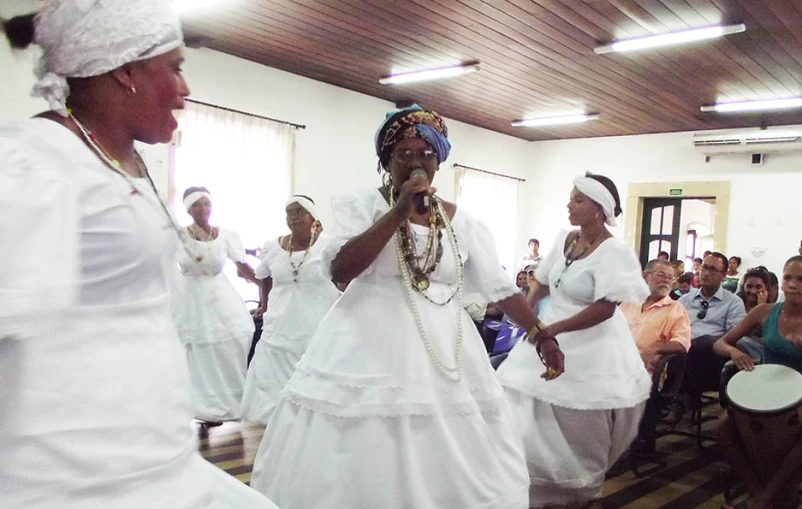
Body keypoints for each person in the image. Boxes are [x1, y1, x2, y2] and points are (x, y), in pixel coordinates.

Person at [0, 3, 276, 508]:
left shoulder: (124, 163)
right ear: (126, 70)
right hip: (74, 471)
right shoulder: (36, 161)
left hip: (149, 449)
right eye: (174, 68)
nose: (185, 90)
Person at [249, 105, 564, 509]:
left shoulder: (463, 222)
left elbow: (500, 288)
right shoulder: (361, 205)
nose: (417, 161)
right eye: (404, 154)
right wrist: (397, 210)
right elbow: (341, 269)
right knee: (371, 442)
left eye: (426, 153)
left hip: (447, 350)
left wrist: (540, 334)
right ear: (386, 160)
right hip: (366, 344)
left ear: (439, 159)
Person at [498, 173, 651, 508]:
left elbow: (606, 308)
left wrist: (555, 330)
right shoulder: (565, 239)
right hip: (548, 331)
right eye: (570, 198)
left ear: (599, 209)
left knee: (576, 425)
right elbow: (541, 282)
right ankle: (530, 486)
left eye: (578, 200)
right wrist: (530, 315)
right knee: (525, 413)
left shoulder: (614, 251)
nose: (569, 205)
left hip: (591, 343)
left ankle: (579, 491)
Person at [240, 195, 340, 425]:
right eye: (289, 213)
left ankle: (307, 423)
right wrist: (265, 308)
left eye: (298, 212)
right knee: (273, 382)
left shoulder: (328, 244)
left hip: (317, 321)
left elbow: (342, 278)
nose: (292, 217)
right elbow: (264, 277)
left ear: (312, 217)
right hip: (280, 322)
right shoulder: (272, 247)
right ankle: (279, 424)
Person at [712, 255, 802, 509]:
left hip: (799, 396)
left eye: (801, 279)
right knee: (722, 428)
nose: (793, 284)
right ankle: (758, 493)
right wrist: (734, 352)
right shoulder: (765, 311)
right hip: (765, 392)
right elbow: (721, 342)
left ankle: (760, 502)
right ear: (780, 283)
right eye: (788, 278)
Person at [172, 187, 256, 425]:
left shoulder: (226, 235)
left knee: (229, 344)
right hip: (190, 299)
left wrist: (263, 283)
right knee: (196, 349)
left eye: (206, 204)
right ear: (188, 209)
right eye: (197, 205)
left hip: (221, 298)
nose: (203, 209)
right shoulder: (178, 235)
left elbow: (242, 266)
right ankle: (196, 405)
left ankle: (229, 403)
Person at [620, 259, 691, 454]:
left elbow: (682, 344)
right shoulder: (629, 302)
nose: (666, 281)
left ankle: (626, 441)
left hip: (646, 370)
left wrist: (655, 349)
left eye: (670, 277)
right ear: (645, 276)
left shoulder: (675, 309)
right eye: (661, 275)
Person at [667, 252, 746, 423]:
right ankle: (680, 397)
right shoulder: (684, 300)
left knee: (705, 342)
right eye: (704, 268)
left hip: (713, 357)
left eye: (712, 269)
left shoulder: (733, 302)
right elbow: (671, 327)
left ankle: (680, 397)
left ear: (723, 275)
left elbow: (733, 337)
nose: (706, 273)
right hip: (681, 352)